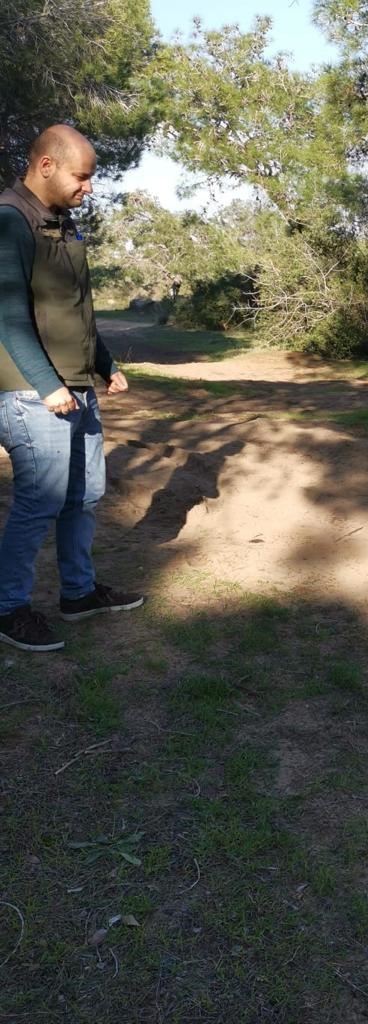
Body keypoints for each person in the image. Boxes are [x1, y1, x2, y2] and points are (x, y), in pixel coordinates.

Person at [0, 124, 143, 653]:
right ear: (45, 166)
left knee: (84, 496)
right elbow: (9, 316)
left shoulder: (62, 224)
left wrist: (105, 364)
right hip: (31, 393)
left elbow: (76, 310)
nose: (88, 187)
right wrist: (45, 386)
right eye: (81, 177)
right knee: (40, 502)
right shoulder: (11, 221)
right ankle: (8, 607)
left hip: (77, 386)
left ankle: (78, 594)